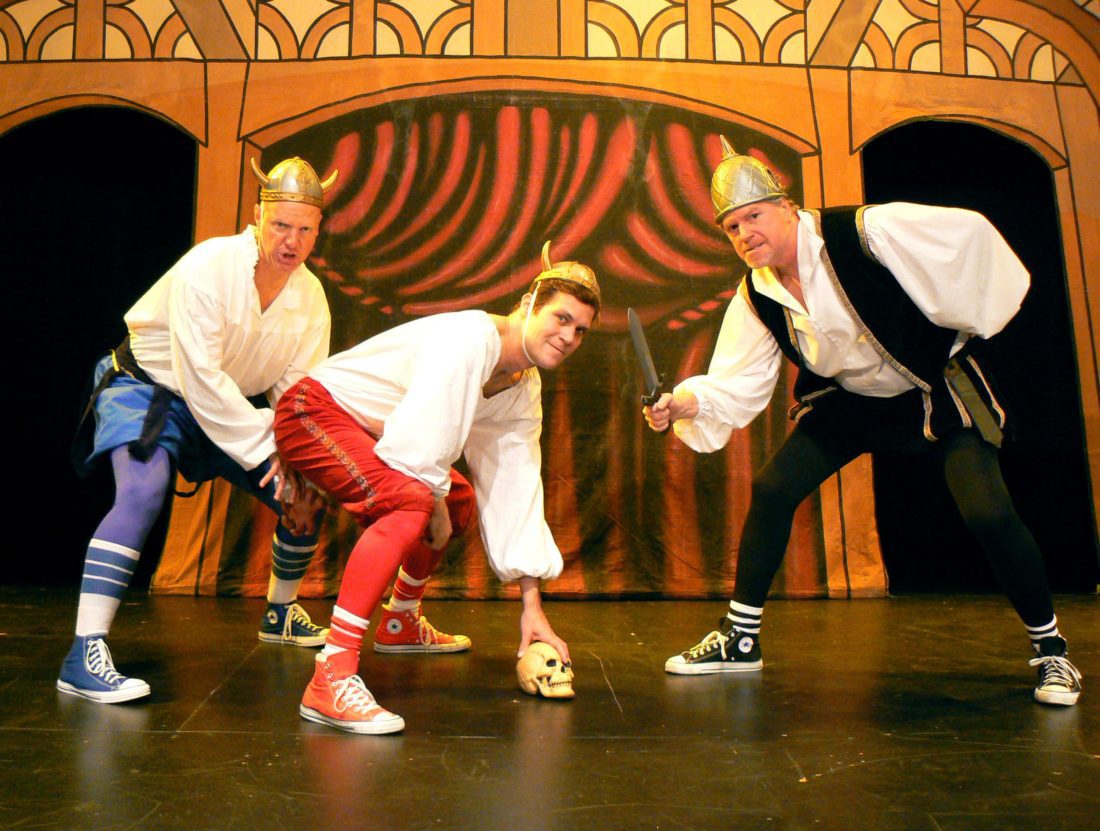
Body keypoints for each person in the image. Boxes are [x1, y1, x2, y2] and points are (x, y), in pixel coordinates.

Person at [643, 138, 1082, 707]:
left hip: (932, 387)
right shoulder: (756, 294)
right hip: (852, 402)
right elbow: (735, 382)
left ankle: (1052, 653)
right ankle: (740, 638)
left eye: (753, 216)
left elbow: (966, 236)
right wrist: (682, 403)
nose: (744, 232)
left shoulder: (865, 232)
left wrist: (969, 315)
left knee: (988, 513)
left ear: (787, 207)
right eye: (731, 227)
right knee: (773, 489)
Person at [273, 242, 600, 734]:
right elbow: (418, 452)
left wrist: (532, 608)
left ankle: (400, 621)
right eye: (562, 318)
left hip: (370, 430)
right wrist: (433, 501)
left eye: (581, 330)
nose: (569, 336)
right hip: (313, 411)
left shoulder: (522, 385)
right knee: (411, 502)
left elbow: (516, 491)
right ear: (530, 304)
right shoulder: (469, 341)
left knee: (457, 497)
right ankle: (331, 676)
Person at [58, 157, 336, 704]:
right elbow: (199, 378)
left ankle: (280, 613)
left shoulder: (311, 297)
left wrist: (292, 451)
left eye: (305, 230)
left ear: (318, 230)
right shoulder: (210, 266)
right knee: (143, 490)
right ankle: (82, 654)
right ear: (259, 216)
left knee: (306, 488)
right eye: (282, 225)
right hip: (149, 389)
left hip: (224, 402)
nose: (292, 241)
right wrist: (263, 449)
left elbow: (297, 392)